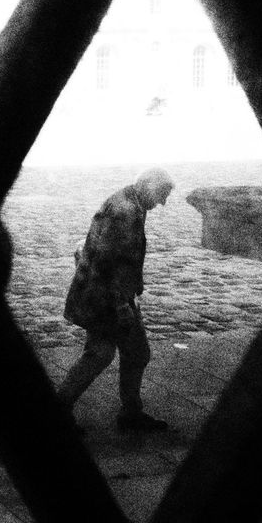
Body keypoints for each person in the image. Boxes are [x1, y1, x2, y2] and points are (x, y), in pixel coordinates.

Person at [59, 167, 175, 432]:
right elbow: (111, 261)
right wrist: (121, 303)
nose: (162, 203)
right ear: (148, 186)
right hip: (106, 298)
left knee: (127, 352)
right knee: (104, 354)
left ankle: (130, 412)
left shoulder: (129, 202)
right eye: (161, 195)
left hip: (104, 294)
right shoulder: (126, 212)